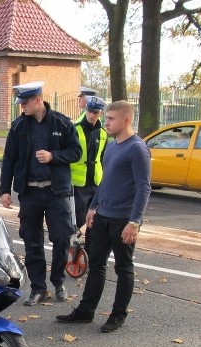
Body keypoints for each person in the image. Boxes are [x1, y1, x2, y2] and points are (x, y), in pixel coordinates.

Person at [56, 100, 152, 333]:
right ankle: (86, 312)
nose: (105, 122)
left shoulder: (137, 149)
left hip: (123, 220)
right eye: (106, 118)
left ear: (126, 120)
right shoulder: (111, 145)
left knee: (123, 268)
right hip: (102, 216)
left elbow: (143, 188)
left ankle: (118, 314)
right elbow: (106, 180)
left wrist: (135, 221)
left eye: (111, 119)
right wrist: (93, 206)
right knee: (97, 264)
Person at [0, 81, 82, 306]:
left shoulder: (62, 123)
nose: (22, 106)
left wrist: (54, 156)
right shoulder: (18, 127)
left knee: (61, 238)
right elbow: (9, 159)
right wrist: (5, 190)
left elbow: (76, 152)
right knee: (32, 241)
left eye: (25, 102)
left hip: (56, 192)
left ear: (38, 100)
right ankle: (38, 288)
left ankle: (58, 282)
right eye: (21, 103)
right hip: (30, 192)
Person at [70, 94, 107, 231]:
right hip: (78, 183)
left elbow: (102, 158)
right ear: (86, 110)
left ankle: (89, 247)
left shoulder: (102, 133)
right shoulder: (75, 130)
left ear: (100, 113)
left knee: (95, 220)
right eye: (90, 111)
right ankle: (75, 247)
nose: (92, 115)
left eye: (95, 112)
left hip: (96, 182)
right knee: (79, 219)